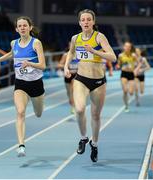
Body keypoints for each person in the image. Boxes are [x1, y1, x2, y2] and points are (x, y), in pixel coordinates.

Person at [0, 16, 46, 157]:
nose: (23, 27)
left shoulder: (36, 43)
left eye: (25, 25)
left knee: (38, 113)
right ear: (16, 29)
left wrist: (30, 63)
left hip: (36, 84)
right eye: (20, 26)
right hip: (20, 84)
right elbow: (11, 54)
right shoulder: (14, 43)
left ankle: (39, 102)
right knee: (20, 112)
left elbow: (43, 66)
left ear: (30, 27)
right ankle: (21, 145)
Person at [64, 9, 116, 162]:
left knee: (95, 115)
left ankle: (95, 143)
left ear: (93, 22)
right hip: (81, 79)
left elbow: (112, 57)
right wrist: (66, 66)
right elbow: (71, 53)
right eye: (83, 20)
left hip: (98, 81)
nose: (86, 22)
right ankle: (83, 138)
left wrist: (94, 51)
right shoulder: (76, 38)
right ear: (79, 22)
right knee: (79, 109)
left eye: (88, 19)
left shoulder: (99, 37)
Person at [57, 42, 79, 113]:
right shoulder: (66, 55)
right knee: (69, 93)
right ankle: (72, 105)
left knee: (73, 89)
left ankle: (75, 106)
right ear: (69, 46)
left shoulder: (80, 55)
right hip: (68, 75)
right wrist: (66, 67)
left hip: (76, 74)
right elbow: (59, 65)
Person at [118, 41, 137, 112]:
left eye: (129, 46)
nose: (127, 48)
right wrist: (119, 66)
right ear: (124, 47)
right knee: (125, 91)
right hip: (124, 74)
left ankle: (127, 103)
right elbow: (119, 65)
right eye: (126, 46)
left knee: (131, 92)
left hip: (131, 74)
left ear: (130, 48)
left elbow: (137, 63)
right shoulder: (120, 55)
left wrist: (135, 69)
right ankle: (126, 106)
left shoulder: (133, 55)